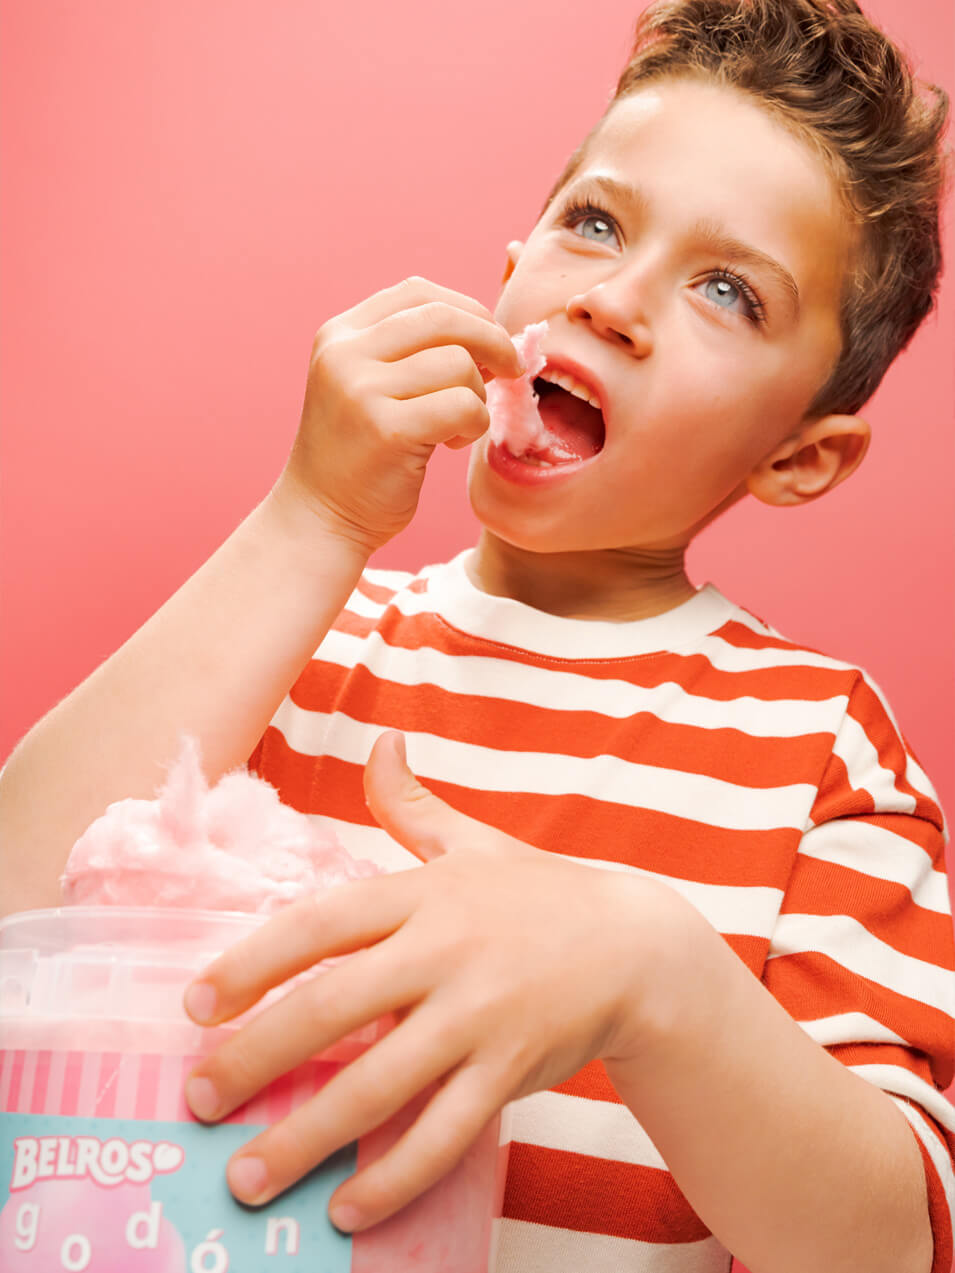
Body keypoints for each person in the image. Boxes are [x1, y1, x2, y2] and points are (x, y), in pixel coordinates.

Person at [1, 0, 952, 1268]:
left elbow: (889, 1244)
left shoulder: (825, 751)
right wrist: (311, 517)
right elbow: (20, 923)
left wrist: (650, 975)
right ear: (509, 273)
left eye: (727, 290)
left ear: (800, 455)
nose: (612, 297)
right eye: (596, 223)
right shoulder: (291, 644)